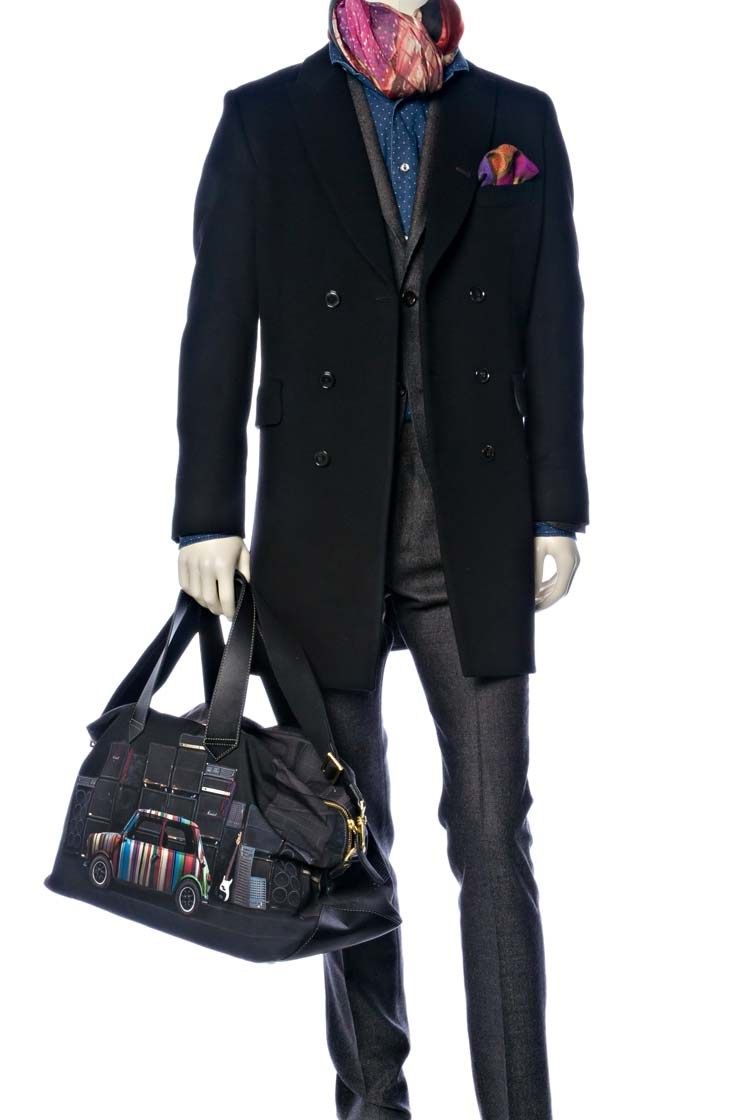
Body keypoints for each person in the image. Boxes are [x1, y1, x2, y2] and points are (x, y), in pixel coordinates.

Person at [172, 2, 589, 1116]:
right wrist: (204, 514)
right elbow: (217, 322)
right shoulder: (262, 121)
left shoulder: (518, 119)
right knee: (342, 849)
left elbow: (552, 320)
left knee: (494, 837)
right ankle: (374, 1107)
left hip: (475, 533)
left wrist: (557, 507)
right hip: (319, 535)